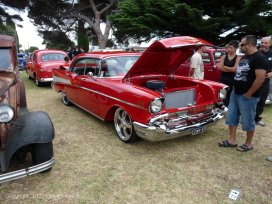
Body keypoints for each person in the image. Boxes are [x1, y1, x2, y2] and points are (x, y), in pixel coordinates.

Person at [218, 35, 269, 152]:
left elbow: (260, 79)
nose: (240, 47)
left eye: (242, 44)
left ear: (249, 45)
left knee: (248, 120)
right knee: (232, 117)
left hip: (248, 96)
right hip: (235, 93)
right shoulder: (245, 56)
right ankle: (232, 140)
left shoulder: (259, 58)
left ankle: (248, 143)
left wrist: (249, 94)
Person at [254, 37, 272, 126]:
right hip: (252, 81)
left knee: (262, 100)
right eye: (262, 42)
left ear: (270, 44)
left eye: (266, 43)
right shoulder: (255, 52)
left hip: (265, 82)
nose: (263, 44)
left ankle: (257, 118)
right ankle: (245, 117)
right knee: (249, 99)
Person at [218, 40, 240, 107]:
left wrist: (224, 67)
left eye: (231, 48)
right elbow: (219, 67)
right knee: (222, 93)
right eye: (229, 47)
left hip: (231, 78)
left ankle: (229, 107)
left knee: (230, 93)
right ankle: (224, 106)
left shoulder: (237, 58)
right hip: (223, 78)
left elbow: (234, 69)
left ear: (236, 48)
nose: (229, 49)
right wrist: (229, 69)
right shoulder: (225, 56)